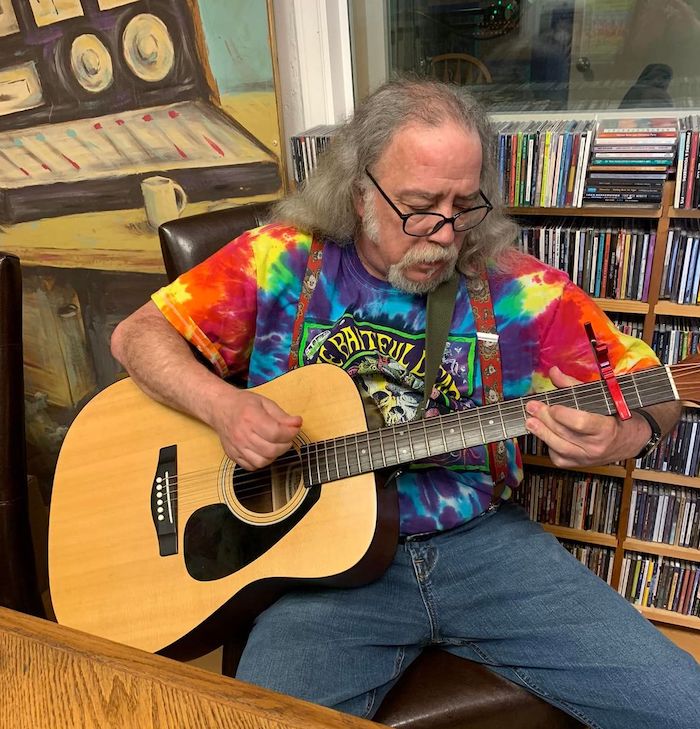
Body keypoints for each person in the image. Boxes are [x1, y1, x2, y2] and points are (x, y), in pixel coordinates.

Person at [111, 78, 698, 728]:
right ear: (361, 191)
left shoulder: (522, 292)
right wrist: (223, 407)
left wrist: (629, 433)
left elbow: (649, 379)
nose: (444, 234)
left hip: (484, 547)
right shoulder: (280, 260)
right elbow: (137, 335)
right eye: (420, 206)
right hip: (321, 570)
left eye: (464, 205)